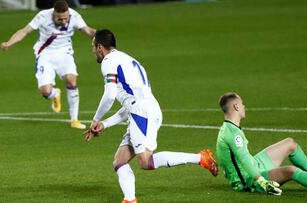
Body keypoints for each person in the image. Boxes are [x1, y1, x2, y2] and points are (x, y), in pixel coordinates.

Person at [84, 29, 218, 203]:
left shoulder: (108, 61)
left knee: (145, 162)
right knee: (119, 161)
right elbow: (131, 105)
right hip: (144, 110)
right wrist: (105, 124)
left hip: (143, 113)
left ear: (100, 47)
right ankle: (130, 199)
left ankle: (201, 158)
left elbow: (110, 95)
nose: (93, 51)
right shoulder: (127, 59)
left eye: (93, 47)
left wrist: (95, 119)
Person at [216, 92, 307, 195]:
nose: (244, 106)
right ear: (236, 106)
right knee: (291, 171)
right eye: (242, 103)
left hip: (254, 164)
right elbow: (244, 161)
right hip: (249, 180)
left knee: (289, 143)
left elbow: (245, 160)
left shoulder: (230, 128)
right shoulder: (232, 134)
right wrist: (261, 181)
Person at [0, 0, 95, 129]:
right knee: (45, 92)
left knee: (71, 80)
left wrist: (103, 36)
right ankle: (55, 94)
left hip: (64, 54)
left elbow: (89, 31)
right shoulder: (42, 16)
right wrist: (9, 43)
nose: (63, 21)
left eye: (65, 19)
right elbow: (24, 31)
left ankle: (75, 120)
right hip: (44, 55)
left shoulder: (75, 16)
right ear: (53, 14)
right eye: (59, 19)